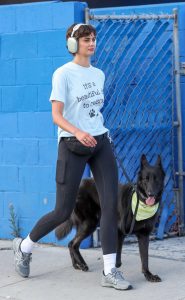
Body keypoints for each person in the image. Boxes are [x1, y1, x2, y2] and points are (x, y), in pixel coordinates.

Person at [13, 23, 131, 290]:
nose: (91, 43)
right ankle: (24, 246)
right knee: (62, 211)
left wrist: (95, 132)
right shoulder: (62, 74)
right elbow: (56, 116)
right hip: (72, 145)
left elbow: (93, 113)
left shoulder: (98, 74)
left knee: (111, 206)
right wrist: (78, 132)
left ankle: (110, 271)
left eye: (94, 39)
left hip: (100, 142)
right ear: (72, 44)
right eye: (86, 39)